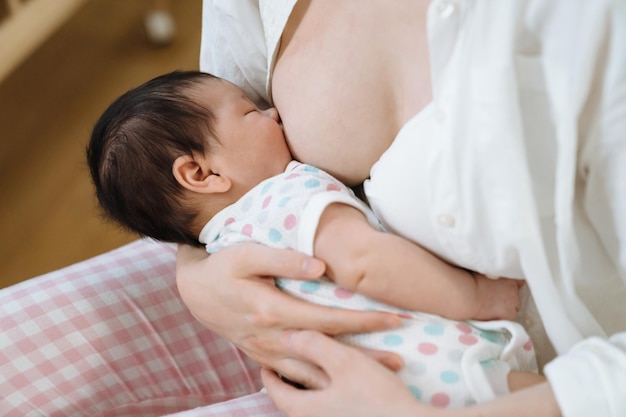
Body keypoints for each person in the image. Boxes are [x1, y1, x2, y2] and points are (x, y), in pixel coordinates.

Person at [0, 1, 624, 416]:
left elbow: (355, 259)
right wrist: (201, 279)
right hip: (382, 333)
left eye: (264, 109)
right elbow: (353, 257)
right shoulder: (276, 188)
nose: (270, 112)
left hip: (464, 373)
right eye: (256, 114)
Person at [87, 69, 542, 407]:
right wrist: (477, 297)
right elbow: (365, 262)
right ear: (202, 173)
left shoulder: (224, 247)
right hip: (434, 366)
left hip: (353, 389)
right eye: (250, 111)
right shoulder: (286, 195)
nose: (272, 112)